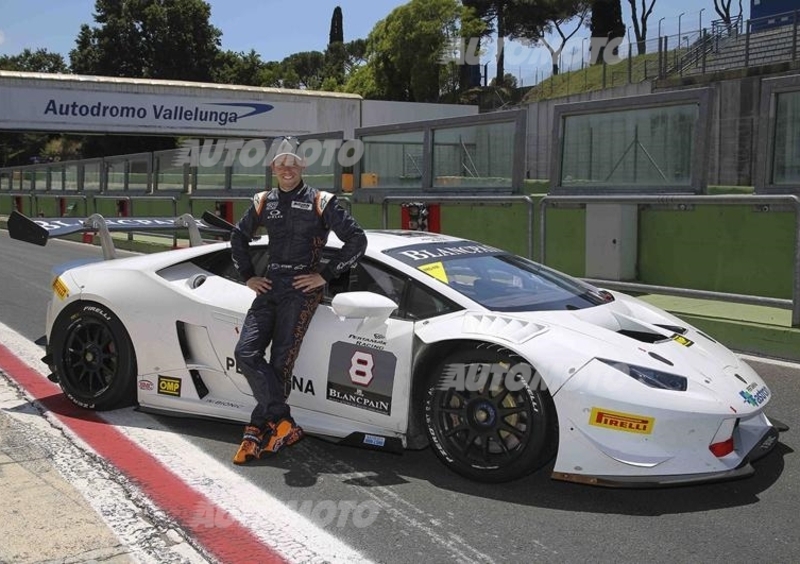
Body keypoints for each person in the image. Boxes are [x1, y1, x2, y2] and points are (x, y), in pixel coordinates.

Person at [230, 136, 367, 464]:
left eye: (293, 163)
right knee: (245, 352)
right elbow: (237, 235)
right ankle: (282, 422)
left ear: (302, 166)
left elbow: (357, 240)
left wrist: (325, 275)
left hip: (303, 291)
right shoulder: (264, 200)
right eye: (281, 164)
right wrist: (248, 276)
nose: (287, 169)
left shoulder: (322, 201)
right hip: (271, 285)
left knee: (280, 363)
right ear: (272, 168)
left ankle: (259, 428)